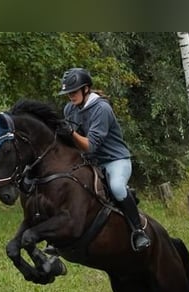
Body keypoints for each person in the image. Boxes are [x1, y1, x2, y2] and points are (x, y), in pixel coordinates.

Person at [57, 67, 151, 252]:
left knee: (116, 187)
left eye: (73, 92)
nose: (70, 96)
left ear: (86, 89)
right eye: (68, 93)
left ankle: (138, 231)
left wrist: (71, 133)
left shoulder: (101, 109)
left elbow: (91, 145)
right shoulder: (69, 109)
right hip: (90, 162)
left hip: (114, 160)